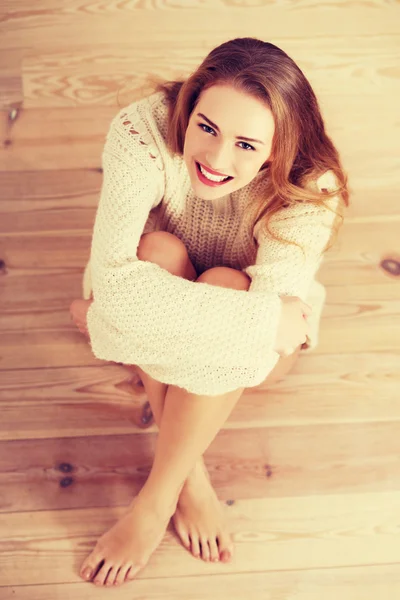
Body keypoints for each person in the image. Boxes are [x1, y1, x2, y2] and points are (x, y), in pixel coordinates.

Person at [70, 37, 349, 587]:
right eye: (207, 128)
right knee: (158, 254)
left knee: (224, 285)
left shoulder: (311, 185)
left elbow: (267, 343)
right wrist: (263, 318)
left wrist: (110, 315)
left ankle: (158, 496)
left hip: (261, 344)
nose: (217, 161)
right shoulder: (142, 130)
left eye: (247, 144)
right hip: (176, 279)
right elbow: (119, 280)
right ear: (190, 106)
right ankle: (184, 478)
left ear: (278, 147)